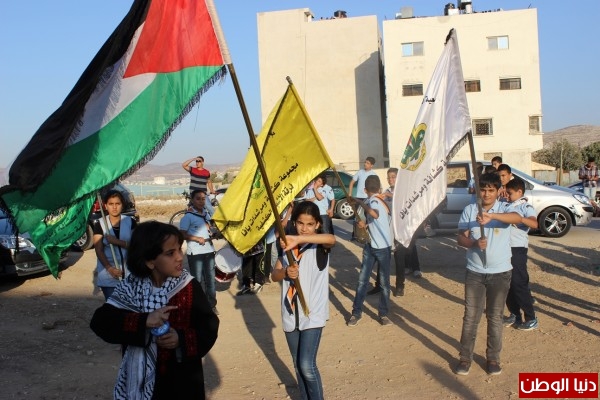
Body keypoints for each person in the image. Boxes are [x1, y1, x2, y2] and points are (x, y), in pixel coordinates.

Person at [90, 221, 219, 399]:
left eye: (179, 249)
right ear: (150, 261)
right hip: (139, 383)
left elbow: (209, 327)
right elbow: (100, 322)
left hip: (181, 383)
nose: (179, 257)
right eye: (170, 253)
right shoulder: (130, 288)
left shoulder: (188, 287)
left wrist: (180, 339)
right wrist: (144, 321)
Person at [454, 173, 522, 376]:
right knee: (471, 317)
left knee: (495, 317)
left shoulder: (505, 208)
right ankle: (465, 358)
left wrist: (492, 216)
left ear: (498, 191)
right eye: (483, 190)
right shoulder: (469, 210)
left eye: (491, 190)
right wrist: (474, 243)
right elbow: (460, 238)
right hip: (475, 272)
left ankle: (493, 358)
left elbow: (517, 218)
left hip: (500, 273)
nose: (486, 194)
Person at [271, 201, 335, 400]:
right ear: (294, 222)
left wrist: (297, 239)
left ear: (317, 224)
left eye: (310, 224)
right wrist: (285, 272)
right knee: (298, 365)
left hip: (312, 314)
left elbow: (331, 239)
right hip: (290, 314)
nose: (304, 228)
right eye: (300, 223)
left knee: (307, 365)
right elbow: (274, 275)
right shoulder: (286, 246)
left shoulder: (320, 246)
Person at [347, 175, 393, 326]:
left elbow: (375, 214)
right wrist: (365, 225)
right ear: (379, 188)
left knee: (367, 282)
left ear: (365, 189)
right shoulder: (376, 199)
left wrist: (359, 201)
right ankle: (379, 314)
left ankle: (360, 313)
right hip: (374, 245)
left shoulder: (374, 201)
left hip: (381, 247)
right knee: (380, 283)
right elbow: (376, 221)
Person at [502, 178, 539, 331]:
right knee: (507, 283)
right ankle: (515, 314)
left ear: (519, 192)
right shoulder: (506, 205)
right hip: (504, 248)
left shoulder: (525, 206)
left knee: (518, 283)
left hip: (517, 249)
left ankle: (531, 317)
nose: (507, 195)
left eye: (510, 193)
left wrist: (520, 219)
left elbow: (534, 223)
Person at [179, 189, 218, 315]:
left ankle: (211, 306)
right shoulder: (188, 217)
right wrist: (196, 238)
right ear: (192, 200)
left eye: (203, 199)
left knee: (211, 280)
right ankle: (199, 307)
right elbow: (182, 234)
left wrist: (214, 234)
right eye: (198, 199)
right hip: (195, 253)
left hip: (209, 250)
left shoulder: (206, 215)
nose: (201, 201)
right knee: (197, 281)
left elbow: (209, 230)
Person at [93, 189, 137, 301]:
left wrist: (117, 242)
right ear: (105, 206)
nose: (114, 207)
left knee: (129, 307)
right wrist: (110, 269)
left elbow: (137, 246)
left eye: (117, 203)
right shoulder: (100, 224)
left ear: (122, 205)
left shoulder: (130, 222)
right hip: (108, 276)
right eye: (111, 204)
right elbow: (99, 250)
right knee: (113, 307)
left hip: (129, 275)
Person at [348, 157, 377, 239]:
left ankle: (368, 235)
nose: (365, 164)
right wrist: (350, 194)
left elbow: (376, 188)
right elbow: (352, 182)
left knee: (368, 217)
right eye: (365, 162)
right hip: (358, 198)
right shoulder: (360, 172)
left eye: (368, 163)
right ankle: (355, 235)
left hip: (368, 199)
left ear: (372, 165)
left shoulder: (373, 175)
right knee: (357, 217)